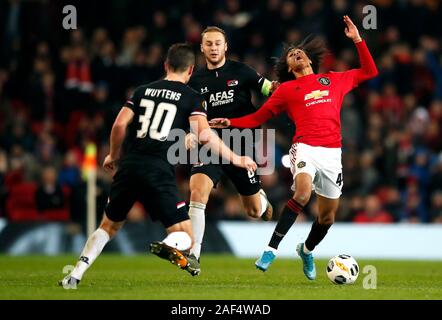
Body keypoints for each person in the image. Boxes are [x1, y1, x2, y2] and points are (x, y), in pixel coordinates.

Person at [59, 43, 257, 288]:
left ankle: (75, 274)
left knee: (108, 226)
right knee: (187, 236)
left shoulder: (143, 90)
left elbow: (120, 125)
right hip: (158, 170)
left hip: (130, 165)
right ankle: (168, 245)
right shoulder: (191, 96)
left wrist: (112, 155)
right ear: (191, 70)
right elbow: (205, 136)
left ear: (166, 65)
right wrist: (237, 159)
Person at [210, 16, 378, 280]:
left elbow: (370, 71)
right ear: (288, 66)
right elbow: (257, 118)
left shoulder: (333, 80)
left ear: (310, 60)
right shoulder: (287, 90)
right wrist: (229, 121)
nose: (295, 53)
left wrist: (357, 39)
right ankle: (271, 249)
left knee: (327, 218)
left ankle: (306, 249)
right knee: (301, 194)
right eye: (290, 54)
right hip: (305, 147)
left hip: (332, 153)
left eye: (299, 51)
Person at [186, 26, 278, 274]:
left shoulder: (242, 71)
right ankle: (194, 255)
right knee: (197, 191)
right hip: (210, 143)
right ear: (202, 48)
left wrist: (282, 89)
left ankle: (260, 199)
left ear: (225, 46)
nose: (214, 48)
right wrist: (188, 134)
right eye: (209, 44)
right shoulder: (194, 81)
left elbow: (270, 89)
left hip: (242, 144)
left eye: (218, 43)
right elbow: (187, 114)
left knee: (253, 211)